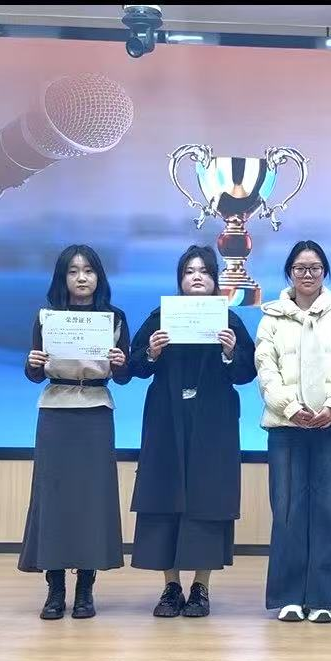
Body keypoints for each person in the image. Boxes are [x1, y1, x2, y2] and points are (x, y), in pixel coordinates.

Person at [128, 245, 258, 618]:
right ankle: (170, 587)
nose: (196, 277)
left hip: (213, 421)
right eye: (189, 271)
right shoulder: (161, 317)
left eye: (204, 271)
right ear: (180, 280)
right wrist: (151, 352)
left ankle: (201, 587)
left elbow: (247, 373)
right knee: (163, 494)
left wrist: (230, 353)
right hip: (166, 419)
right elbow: (134, 366)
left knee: (208, 498)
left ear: (215, 279)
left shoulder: (228, 320)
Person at [18, 244, 132, 620]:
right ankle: (54, 589)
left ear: (99, 276)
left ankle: (85, 587)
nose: (82, 278)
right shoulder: (47, 317)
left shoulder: (114, 317)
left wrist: (121, 363)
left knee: (91, 499)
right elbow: (35, 374)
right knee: (53, 498)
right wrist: (32, 363)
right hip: (55, 411)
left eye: (88, 270)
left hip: (96, 411)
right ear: (62, 277)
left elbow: (125, 377)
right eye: (73, 271)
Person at [255, 240, 331, 624]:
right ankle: (288, 596)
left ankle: (323, 598)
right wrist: (290, 408)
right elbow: (266, 370)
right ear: (289, 272)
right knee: (287, 510)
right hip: (286, 427)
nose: (307, 274)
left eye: (315, 268)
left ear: (324, 272)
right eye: (300, 268)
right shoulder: (271, 317)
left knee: (327, 511)